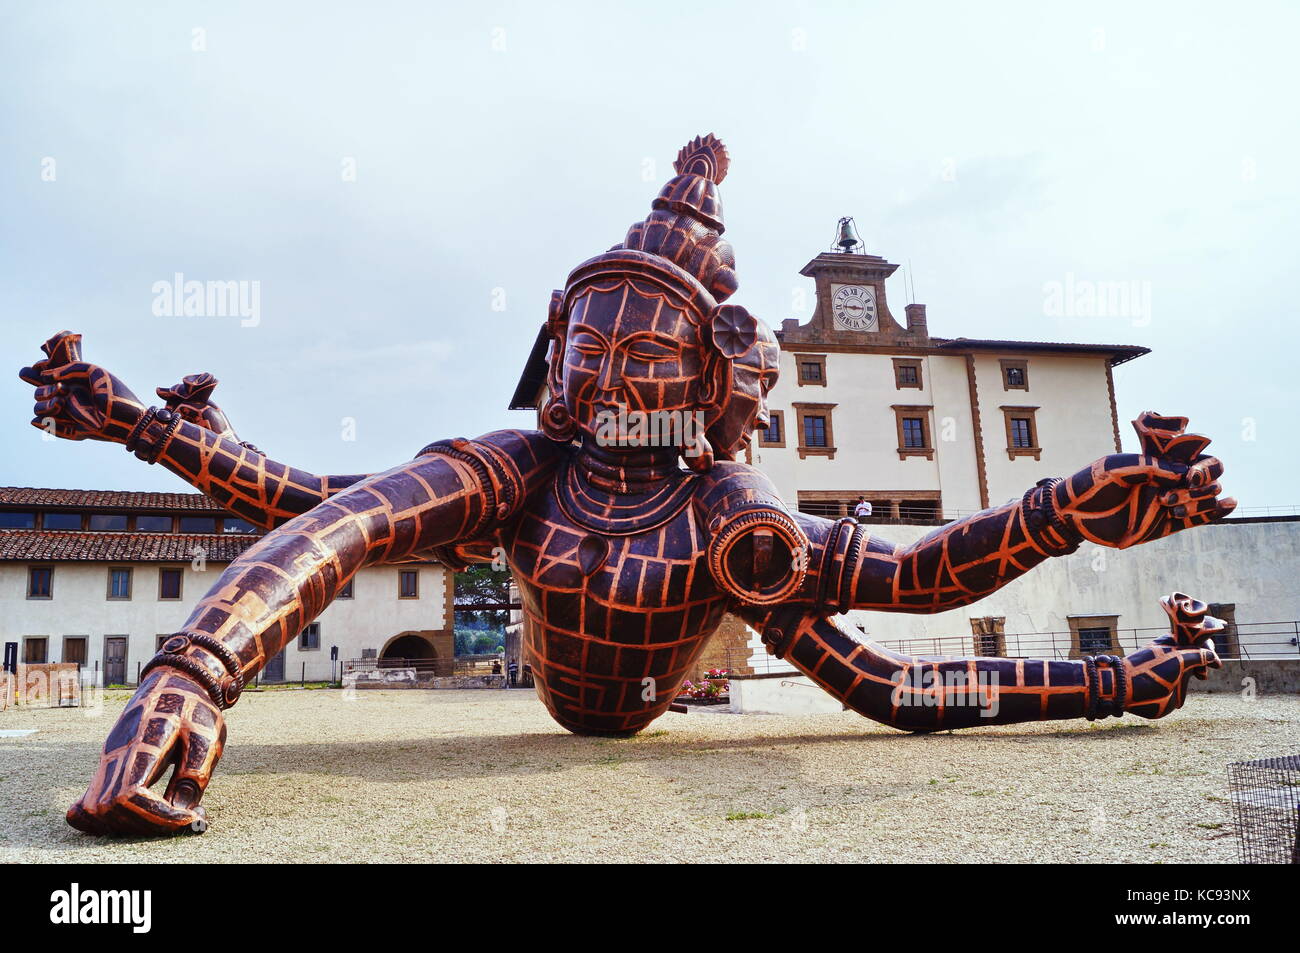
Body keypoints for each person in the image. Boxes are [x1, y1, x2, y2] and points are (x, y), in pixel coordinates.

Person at [25, 133, 1234, 836]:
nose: (605, 376)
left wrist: (1066, 508)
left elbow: (917, 589)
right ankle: (1133, 679)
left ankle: (1132, 681)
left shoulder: (729, 522)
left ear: (709, 377)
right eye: (587, 351)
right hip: (577, 670)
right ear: (556, 358)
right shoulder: (515, 472)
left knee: (890, 691)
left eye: (642, 355)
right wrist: (190, 664)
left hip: (649, 669)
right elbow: (332, 515)